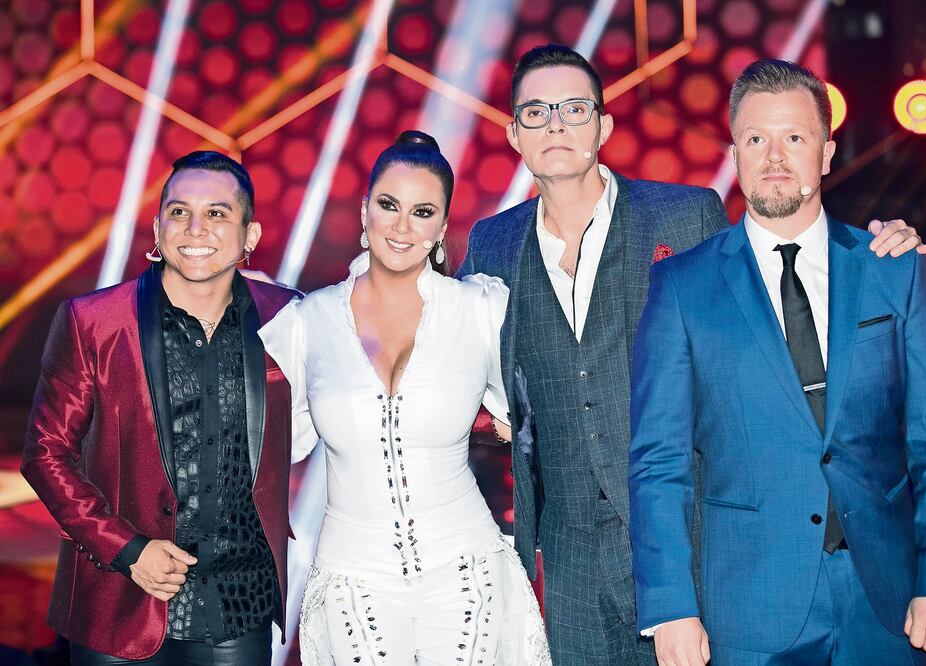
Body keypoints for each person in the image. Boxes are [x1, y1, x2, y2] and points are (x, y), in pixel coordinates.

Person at [457, 43, 926, 665]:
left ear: (603, 125)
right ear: (512, 132)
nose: (556, 125)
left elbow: (773, 312)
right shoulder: (493, 242)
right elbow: (446, 352)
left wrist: (875, 253)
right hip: (568, 551)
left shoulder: (684, 214)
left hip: (698, 545)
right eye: (537, 112)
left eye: (574, 109)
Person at [629, 59, 926, 666]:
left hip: (889, 607)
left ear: (826, 153)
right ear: (734, 153)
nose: (774, 157)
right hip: (747, 607)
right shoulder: (681, 288)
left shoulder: (892, 268)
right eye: (756, 139)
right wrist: (670, 607)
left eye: (795, 137)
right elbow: (659, 463)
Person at [258, 131, 550, 665]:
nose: (401, 225)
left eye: (422, 211)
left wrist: (507, 425)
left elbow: (548, 408)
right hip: (353, 577)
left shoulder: (479, 309)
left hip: (466, 570)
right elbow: (256, 442)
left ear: (441, 228)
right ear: (366, 210)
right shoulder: (307, 322)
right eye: (389, 205)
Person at [22, 151, 299, 664]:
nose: (195, 228)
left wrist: (490, 422)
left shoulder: (289, 318)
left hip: (238, 605)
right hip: (120, 599)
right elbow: (45, 452)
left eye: (217, 213)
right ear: (157, 227)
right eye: (178, 212)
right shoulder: (94, 321)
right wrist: (127, 550)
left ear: (250, 236)